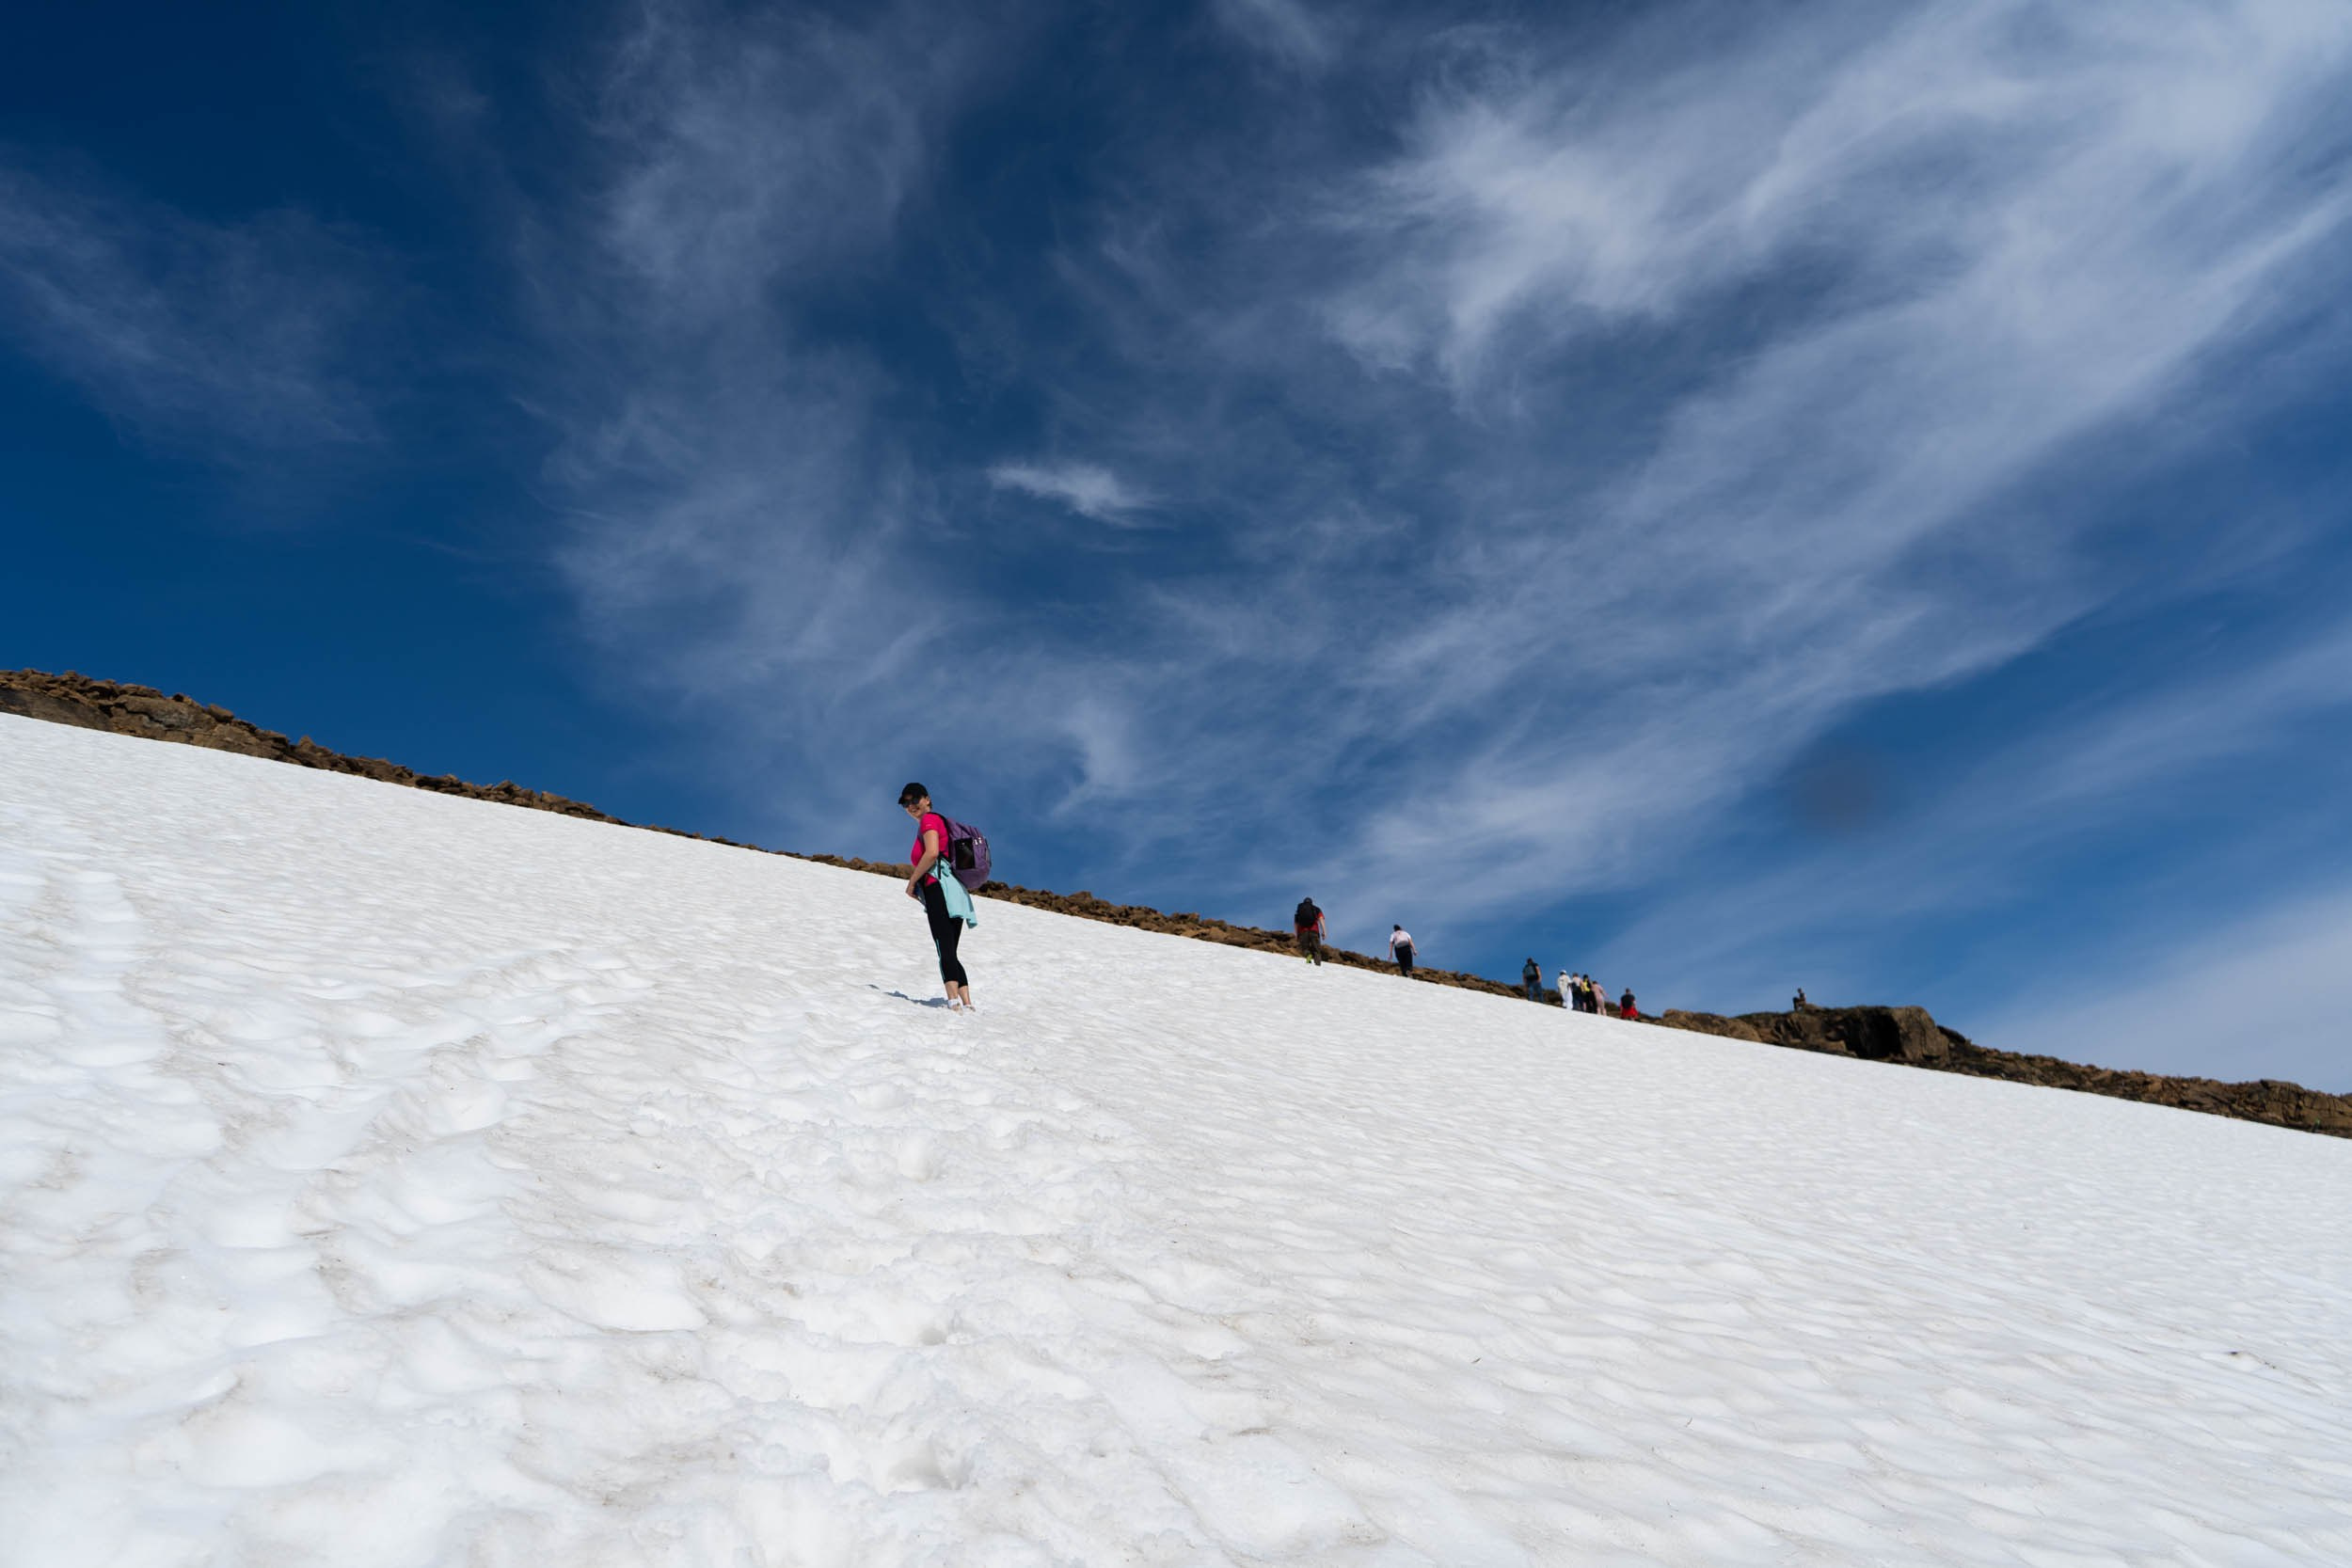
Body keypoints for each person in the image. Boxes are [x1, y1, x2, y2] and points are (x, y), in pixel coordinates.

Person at [898, 782, 975, 1010]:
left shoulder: (929, 821)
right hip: (955, 891)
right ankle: (968, 1004)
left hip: (936, 887)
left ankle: (953, 1003)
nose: (910, 806)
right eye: (905, 803)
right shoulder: (940, 821)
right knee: (950, 948)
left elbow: (931, 854)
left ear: (927, 799)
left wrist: (912, 882)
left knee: (944, 946)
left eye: (915, 800)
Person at [1295, 897, 1326, 965]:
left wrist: (1297, 935)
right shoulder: (1316, 909)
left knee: (1305, 948)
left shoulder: (1299, 911)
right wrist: (1324, 932)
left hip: (1303, 931)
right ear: (1311, 902)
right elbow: (1321, 920)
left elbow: (1296, 924)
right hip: (1314, 930)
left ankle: (1308, 956)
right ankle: (1317, 965)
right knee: (1316, 949)